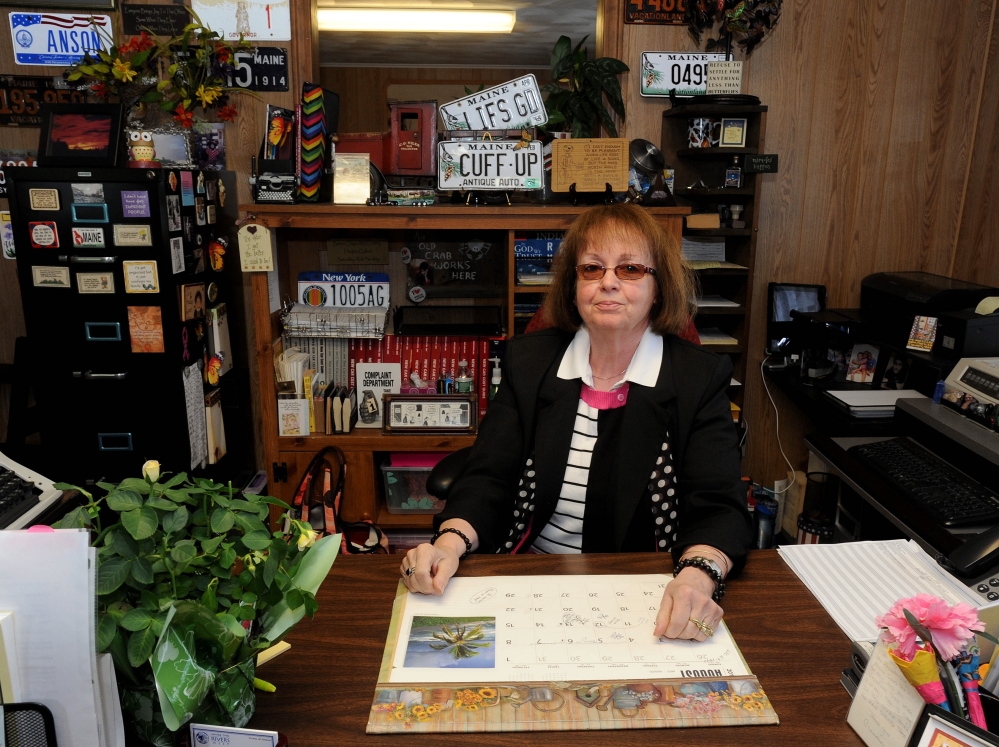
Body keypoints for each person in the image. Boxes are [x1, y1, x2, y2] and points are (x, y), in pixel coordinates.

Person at [400, 203, 753, 642]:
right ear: (573, 286)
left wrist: (698, 577)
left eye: (629, 268)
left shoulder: (698, 378)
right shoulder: (529, 362)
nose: (608, 281)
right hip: (532, 577)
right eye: (591, 268)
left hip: (649, 591)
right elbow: (489, 476)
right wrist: (448, 545)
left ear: (659, 288)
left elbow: (719, 505)